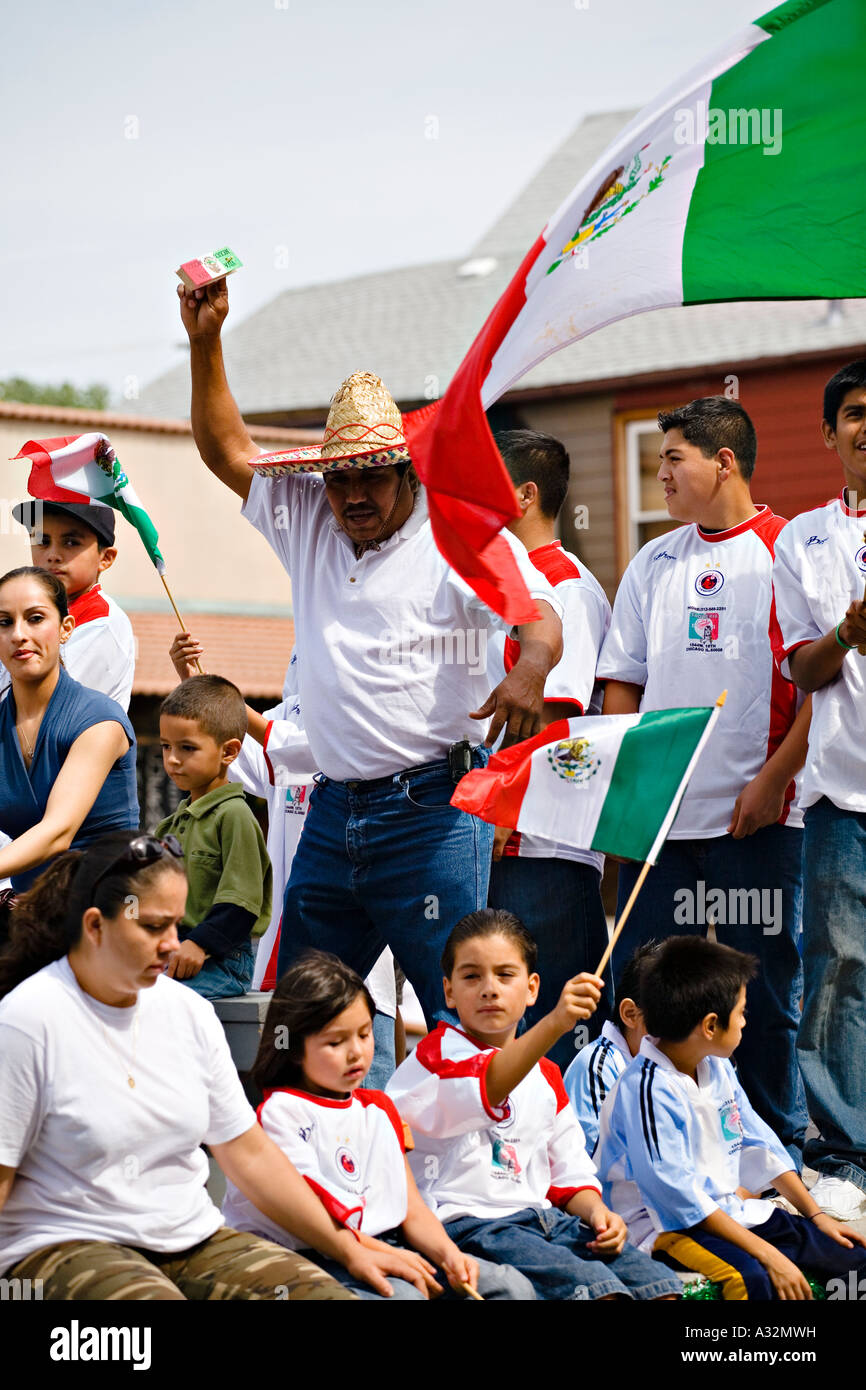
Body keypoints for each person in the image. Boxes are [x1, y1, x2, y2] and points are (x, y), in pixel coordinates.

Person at [177, 276, 563, 1031]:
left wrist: (528, 668)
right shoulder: (309, 520)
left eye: (371, 477)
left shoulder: (460, 534)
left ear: (407, 472)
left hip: (434, 814)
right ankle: (314, 1146)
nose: (353, 494)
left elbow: (541, 615)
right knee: (303, 1022)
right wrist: (206, 341)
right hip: (333, 808)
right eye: (339, 476)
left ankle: (494, 1150)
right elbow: (224, 447)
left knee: (466, 1022)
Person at [0, 833, 437, 1300]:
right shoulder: (28, 1020)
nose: (173, 944)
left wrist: (347, 1248)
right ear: (95, 926)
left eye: (177, 925)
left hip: (191, 1237)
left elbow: (247, 1152)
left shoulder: (188, 1012)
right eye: (153, 927)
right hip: (65, 1246)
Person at [598, 396, 809, 1162]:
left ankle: (773, 1153)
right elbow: (621, 683)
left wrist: (773, 780)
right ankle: (652, 1151)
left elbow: (820, 685)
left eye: (671, 460)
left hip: (758, 822)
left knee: (764, 998)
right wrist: (629, 798)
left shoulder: (791, 550)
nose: (658, 476)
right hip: (662, 829)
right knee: (648, 995)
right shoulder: (652, 562)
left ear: (724, 463)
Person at [386, 908, 681, 1301]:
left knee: (657, 1284)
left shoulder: (546, 1073)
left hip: (547, 1222)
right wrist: (555, 1023)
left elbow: (569, 1171)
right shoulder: (435, 1055)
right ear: (449, 991)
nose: (489, 988)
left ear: (532, 988)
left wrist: (597, 1213)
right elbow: (486, 1085)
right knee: (597, 1291)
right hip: (469, 1224)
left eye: (505, 975)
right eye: (471, 976)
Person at [222, 948, 534, 1301]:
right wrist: (389, 1256)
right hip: (313, 1255)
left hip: (385, 1243)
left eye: (365, 1034)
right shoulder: (281, 1114)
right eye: (335, 1042)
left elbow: (412, 1209)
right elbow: (317, 1221)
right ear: (293, 1047)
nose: (356, 1052)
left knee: (510, 1286)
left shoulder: (379, 1108)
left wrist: (450, 1255)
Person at [169, 633, 399, 1086]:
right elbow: (223, 755)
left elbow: (296, 748)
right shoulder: (283, 715)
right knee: (293, 1087)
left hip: (357, 927)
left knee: (363, 1078)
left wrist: (230, 706)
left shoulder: (367, 717)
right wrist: (199, 694)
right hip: (284, 937)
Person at [595, 936, 866, 1300]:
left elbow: (758, 1143)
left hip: (727, 1211)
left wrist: (816, 1218)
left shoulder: (716, 1066)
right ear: (710, 1026)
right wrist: (768, 1253)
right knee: (751, 1279)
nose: (744, 1022)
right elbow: (678, 1201)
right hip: (662, 1227)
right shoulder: (645, 1089)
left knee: (852, 1260)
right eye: (741, 1012)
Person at [771, 358, 866, 1220]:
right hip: (842, 797)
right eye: (857, 413)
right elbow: (801, 667)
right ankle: (844, 1161)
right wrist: (849, 630)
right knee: (840, 976)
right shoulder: (801, 539)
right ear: (831, 432)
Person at [486, 429, 612, 1069]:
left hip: (543, 846)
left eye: (486, 485)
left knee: (557, 1029)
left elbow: (552, 715)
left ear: (524, 494)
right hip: (503, 834)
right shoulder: (504, 578)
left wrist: (504, 821)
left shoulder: (566, 585)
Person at [0, 567, 138, 896]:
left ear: (66, 629)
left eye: (35, 618)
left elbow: (57, 832)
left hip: (109, 919)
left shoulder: (100, 719)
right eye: (4, 622)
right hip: (33, 924)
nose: (19, 634)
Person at [155, 675, 271, 1000]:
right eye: (166, 746)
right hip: (169, 953)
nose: (173, 759)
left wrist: (200, 944)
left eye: (187, 748)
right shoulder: (168, 827)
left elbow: (241, 903)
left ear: (229, 752)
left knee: (153, 1001)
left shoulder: (234, 816)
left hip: (220, 961)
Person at [1, 500, 135, 709]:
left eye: (71, 542)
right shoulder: (23, 612)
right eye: (43, 541)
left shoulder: (102, 622)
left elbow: (37, 700)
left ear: (106, 557)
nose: (53, 555)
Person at [562, 941, 657, 1155]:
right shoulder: (597, 1068)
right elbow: (602, 1161)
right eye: (673, 1014)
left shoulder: (705, 1060)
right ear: (631, 1014)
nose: (687, 1029)